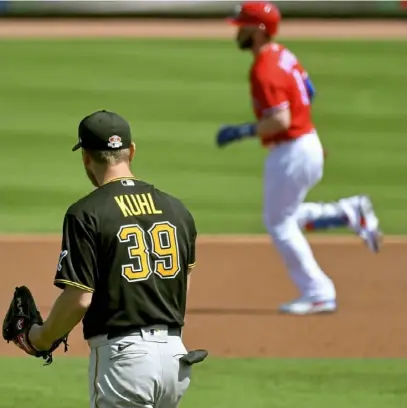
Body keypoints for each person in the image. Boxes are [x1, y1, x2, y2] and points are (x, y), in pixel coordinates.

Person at [215, 2, 382, 315]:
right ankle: (349, 212)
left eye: (244, 25)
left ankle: (318, 291)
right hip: (307, 143)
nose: (238, 30)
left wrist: (241, 131)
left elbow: (279, 120)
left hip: (292, 149)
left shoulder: (264, 68)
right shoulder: (285, 55)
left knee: (278, 223)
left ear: (259, 30)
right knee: (285, 215)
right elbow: (310, 90)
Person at [28, 110, 200, 407]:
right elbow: (182, 283)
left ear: (86, 157)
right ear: (131, 151)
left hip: (125, 361)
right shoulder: (177, 209)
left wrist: (41, 337)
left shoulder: (86, 213)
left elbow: (79, 298)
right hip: (176, 359)